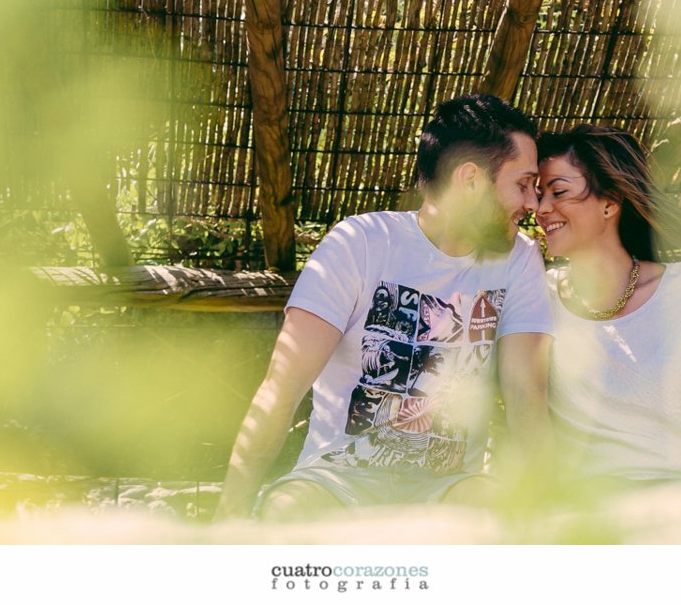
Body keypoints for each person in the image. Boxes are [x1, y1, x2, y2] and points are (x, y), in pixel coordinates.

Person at [215, 94, 554, 521]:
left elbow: (527, 398)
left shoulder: (519, 259)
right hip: (335, 480)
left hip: (448, 487)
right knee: (287, 514)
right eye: (523, 184)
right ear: (470, 180)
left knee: (493, 516)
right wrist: (227, 518)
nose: (534, 205)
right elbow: (281, 390)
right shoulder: (360, 243)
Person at [534, 124, 681, 485]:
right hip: (597, 515)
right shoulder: (539, 297)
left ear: (610, 202)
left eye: (558, 192)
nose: (540, 209)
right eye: (539, 195)